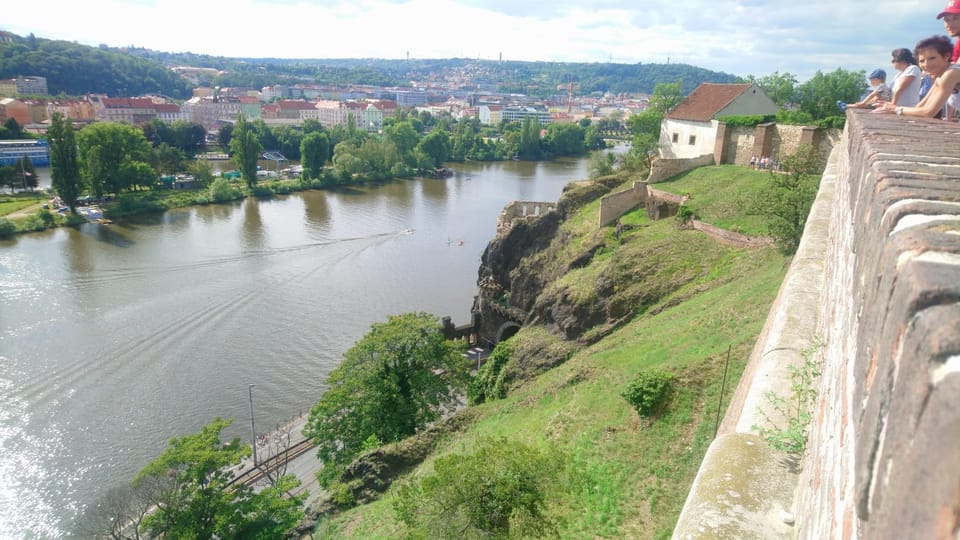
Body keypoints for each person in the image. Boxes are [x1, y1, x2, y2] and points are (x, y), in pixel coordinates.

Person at [874, 35, 960, 119]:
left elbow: (929, 112)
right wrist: (891, 109)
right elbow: (921, 106)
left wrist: (896, 109)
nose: (926, 64)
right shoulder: (940, 76)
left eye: (932, 58)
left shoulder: (951, 73)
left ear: (946, 56)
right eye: (922, 61)